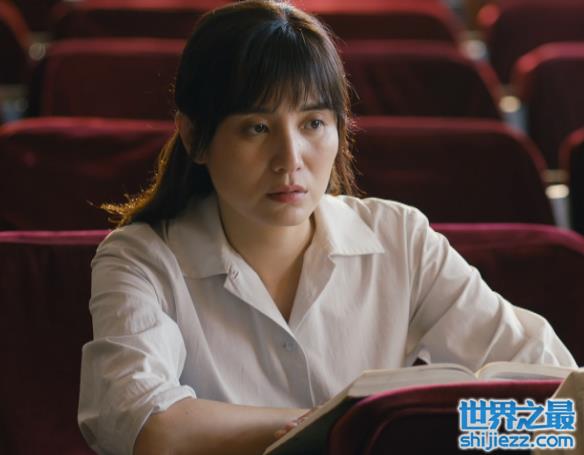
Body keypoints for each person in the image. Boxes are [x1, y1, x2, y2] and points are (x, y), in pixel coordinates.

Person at [77, 1, 577, 454]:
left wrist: (435, 432)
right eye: (257, 127)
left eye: (313, 123)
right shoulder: (140, 259)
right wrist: (357, 425)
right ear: (194, 137)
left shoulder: (400, 238)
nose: (290, 159)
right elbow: (149, 426)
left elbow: (561, 397)